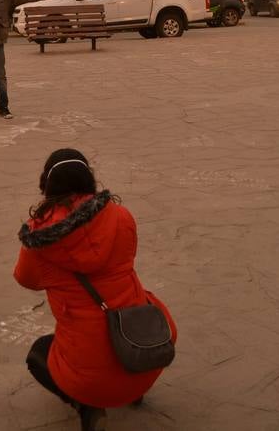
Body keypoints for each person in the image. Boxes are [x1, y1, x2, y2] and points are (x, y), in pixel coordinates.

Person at [14, 148, 177, 431]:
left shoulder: (40, 237)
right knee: (140, 300)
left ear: (47, 184)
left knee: (39, 353)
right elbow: (127, 255)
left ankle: (86, 406)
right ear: (89, 178)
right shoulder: (121, 216)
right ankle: (134, 390)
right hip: (147, 352)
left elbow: (26, 279)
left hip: (88, 379)